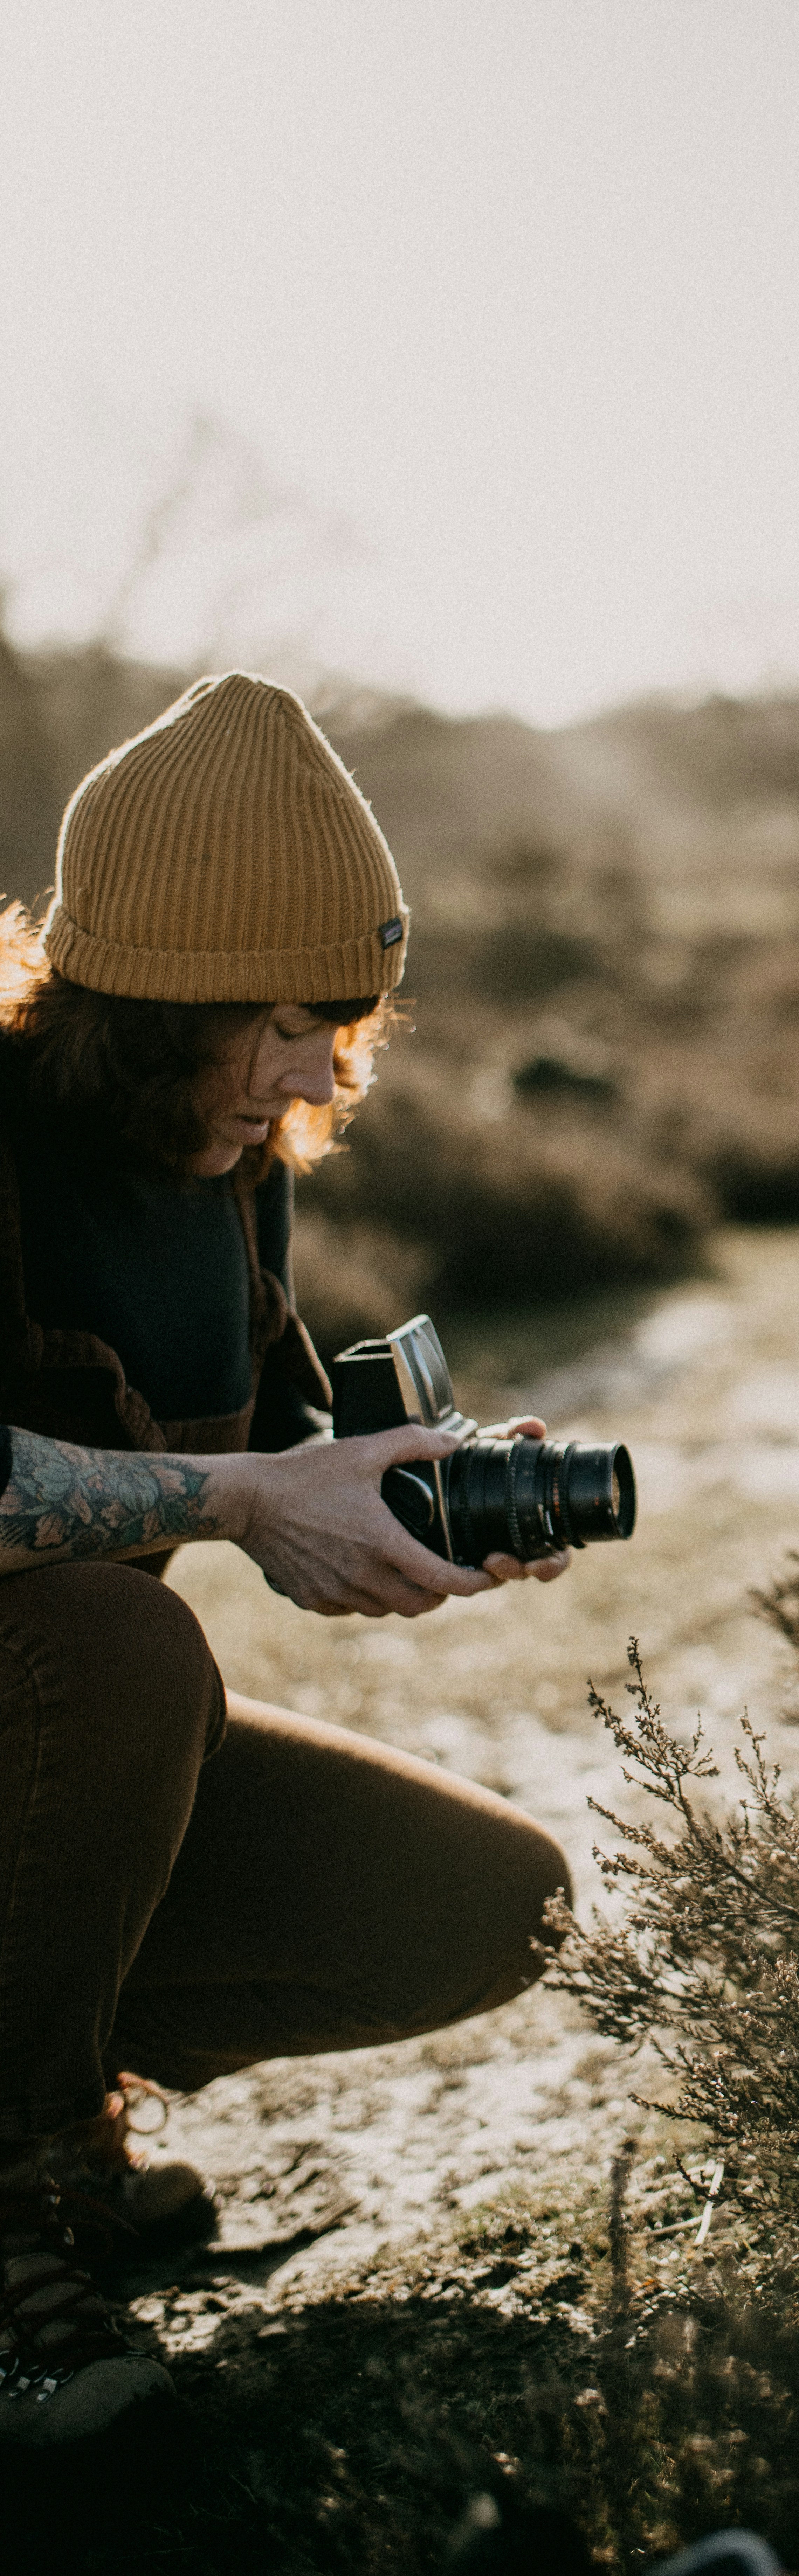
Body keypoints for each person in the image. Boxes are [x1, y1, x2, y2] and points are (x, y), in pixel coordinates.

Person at [0, 673, 576, 2448]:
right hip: (69, 1694)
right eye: (288, 1021)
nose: (328, 1071)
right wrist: (247, 1504)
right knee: (113, 1647)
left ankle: (43, 2099)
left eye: (350, 1021)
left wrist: (412, 1492)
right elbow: (223, 1499)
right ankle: (14, 2196)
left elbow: (273, 1449)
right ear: (152, 1007)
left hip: (38, 1774)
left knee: (492, 1901)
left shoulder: (232, 1160)